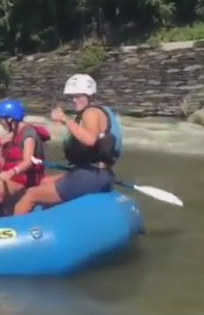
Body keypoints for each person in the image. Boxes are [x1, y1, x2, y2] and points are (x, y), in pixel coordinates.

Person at [14, 74, 123, 215]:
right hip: (98, 173)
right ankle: (49, 219)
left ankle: (11, 230)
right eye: (73, 96)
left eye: (78, 96)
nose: (74, 99)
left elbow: (90, 140)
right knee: (45, 182)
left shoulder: (90, 113)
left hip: (90, 176)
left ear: (89, 95)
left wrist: (65, 119)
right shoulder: (98, 111)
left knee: (30, 195)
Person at [0, 99, 51, 208]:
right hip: (14, 182)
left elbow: (27, 162)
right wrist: (0, 147)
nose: (0, 123)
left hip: (28, 184)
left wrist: (10, 173)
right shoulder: (11, 134)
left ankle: (5, 217)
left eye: (1, 119)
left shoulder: (28, 134)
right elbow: (1, 165)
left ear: (11, 119)